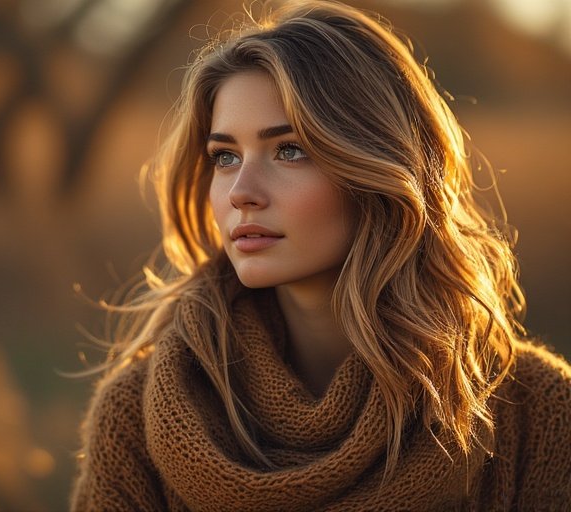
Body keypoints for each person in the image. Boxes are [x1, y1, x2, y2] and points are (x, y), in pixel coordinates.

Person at [70, 1, 571, 510]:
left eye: (289, 149)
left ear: (377, 169)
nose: (241, 191)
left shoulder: (533, 412)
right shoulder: (139, 414)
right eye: (225, 156)